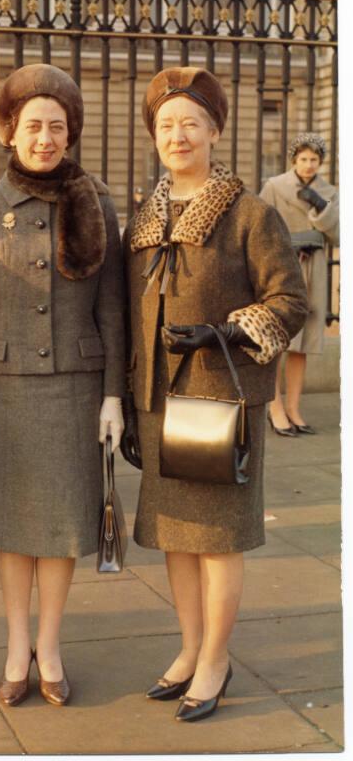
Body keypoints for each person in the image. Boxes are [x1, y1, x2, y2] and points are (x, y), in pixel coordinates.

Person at [124, 67, 307, 722]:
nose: (178, 135)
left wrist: (226, 332)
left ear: (215, 131)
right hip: (157, 402)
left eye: (190, 123)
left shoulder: (249, 213)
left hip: (220, 401)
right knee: (176, 536)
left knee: (217, 539)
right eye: (166, 125)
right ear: (154, 136)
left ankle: (217, 659)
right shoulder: (145, 218)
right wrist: (123, 401)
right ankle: (190, 647)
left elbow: (291, 299)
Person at [0, 63, 125, 707]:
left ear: (70, 133)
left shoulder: (97, 206)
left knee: (62, 526)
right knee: (12, 526)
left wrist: (113, 396)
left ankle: (49, 648)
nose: (45, 138)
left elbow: (113, 310)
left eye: (57, 126)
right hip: (2, 389)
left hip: (76, 388)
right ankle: (14, 646)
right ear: (8, 132)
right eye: (33, 126)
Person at [259, 133, 338, 436]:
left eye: (314, 160)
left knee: (302, 345)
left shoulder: (329, 191)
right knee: (279, 339)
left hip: (313, 268)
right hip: (282, 266)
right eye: (303, 159)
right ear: (294, 160)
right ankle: (274, 406)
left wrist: (321, 208)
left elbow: (339, 235)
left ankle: (294, 408)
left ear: (321, 162)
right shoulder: (275, 186)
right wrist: (286, 247)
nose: (308, 165)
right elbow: (261, 226)